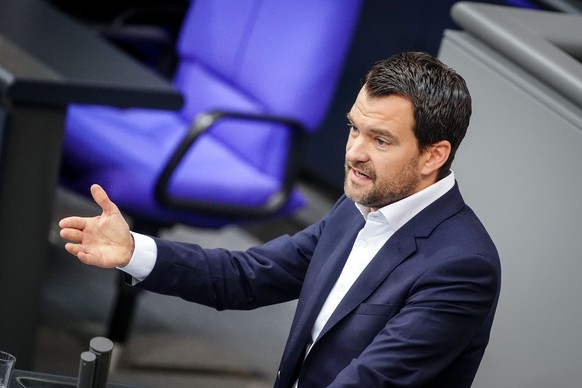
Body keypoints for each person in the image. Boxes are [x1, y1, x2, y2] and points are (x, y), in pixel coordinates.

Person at [60, 51, 501, 388]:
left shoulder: (462, 267)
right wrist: (134, 251)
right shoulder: (358, 207)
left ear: (433, 155)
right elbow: (248, 276)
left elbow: (371, 381)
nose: (354, 153)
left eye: (380, 140)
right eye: (353, 129)